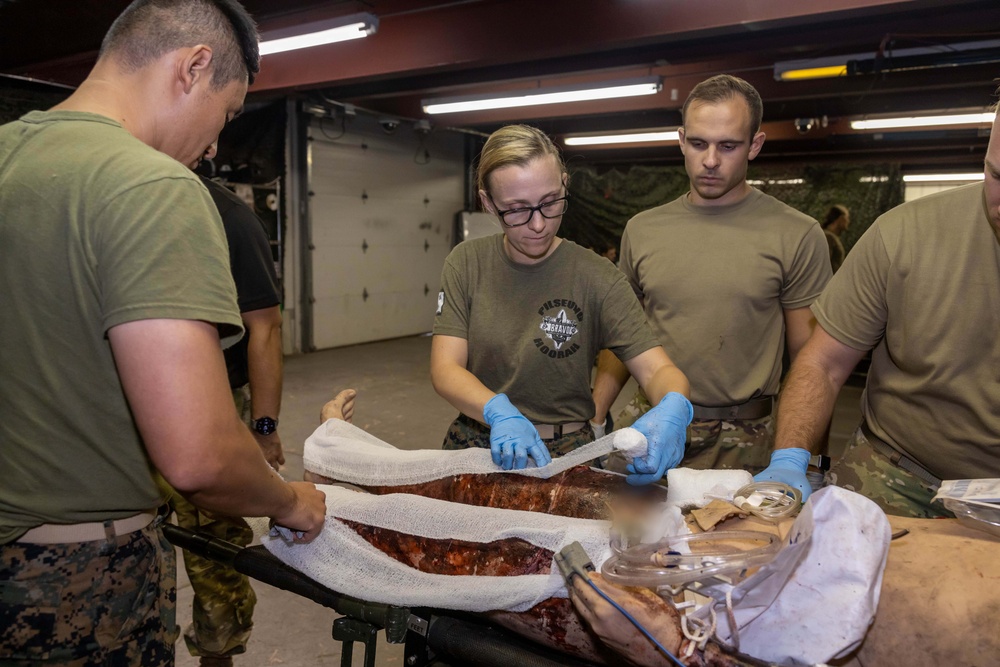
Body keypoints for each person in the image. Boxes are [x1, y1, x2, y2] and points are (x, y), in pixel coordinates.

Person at [0, 1, 326, 664]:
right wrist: (290, 501)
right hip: (80, 584)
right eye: (226, 114)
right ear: (193, 66)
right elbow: (199, 456)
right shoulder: (152, 186)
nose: (212, 147)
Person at [591, 74, 832, 489]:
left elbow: (814, 362)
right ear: (681, 140)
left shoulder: (796, 233)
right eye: (699, 143)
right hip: (654, 426)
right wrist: (594, 419)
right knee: (629, 547)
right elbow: (622, 336)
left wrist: (807, 459)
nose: (710, 161)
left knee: (740, 551)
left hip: (746, 440)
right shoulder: (643, 229)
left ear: (754, 145)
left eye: (728, 146)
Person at [769, 102, 1000, 516]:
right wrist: (791, 461)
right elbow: (823, 363)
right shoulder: (904, 235)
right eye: (997, 174)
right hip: (899, 471)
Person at [432, 124, 693, 484]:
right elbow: (445, 368)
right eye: (517, 209)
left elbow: (657, 370)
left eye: (551, 202)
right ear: (488, 203)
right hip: (478, 443)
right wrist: (497, 411)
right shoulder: (467, 263)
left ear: (564, 185)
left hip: (568, 453)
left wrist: (674, 407)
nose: (538, 224)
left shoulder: (597, 277)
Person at [164, 145, 286, 666]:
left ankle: (219, 655)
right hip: (119, 408)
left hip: (211, 401)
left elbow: (265, 328)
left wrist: (262, 427)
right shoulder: (110, 199)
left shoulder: (230, 217)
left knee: (214, 543)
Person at [821, 203, 850, 272]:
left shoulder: (831, 237)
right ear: (840, 219)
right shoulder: (828, 237)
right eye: (847, 218)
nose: (848, 221)